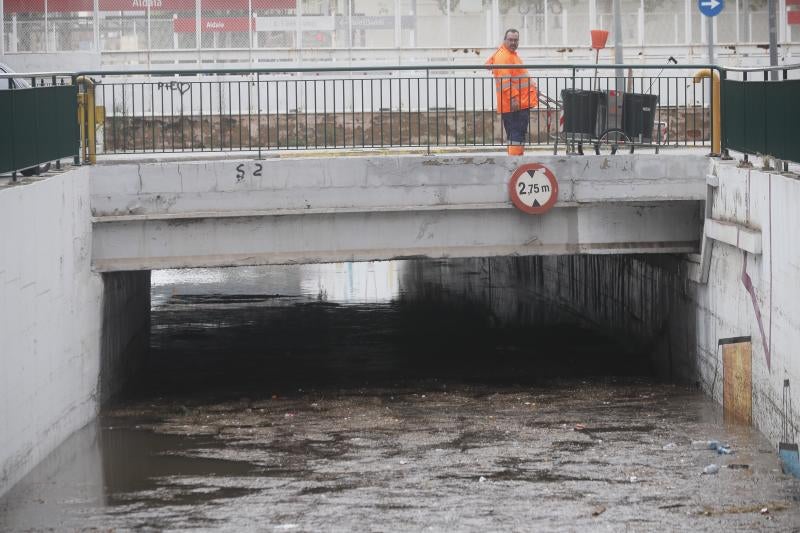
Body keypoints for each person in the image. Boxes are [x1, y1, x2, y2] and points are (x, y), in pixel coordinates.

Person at [485, 29, 538, 156]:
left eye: (516, 40)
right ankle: (515, 163)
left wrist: (534, 89)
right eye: (510, 40)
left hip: (518, 103)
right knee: (516, 135)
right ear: (504, 40)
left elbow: (518, 77)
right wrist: (514, 98)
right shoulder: (504, 56)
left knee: (516, 135)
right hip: (515, 105)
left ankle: (515, 161)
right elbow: (505, 81)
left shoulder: (511, 55)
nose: (513, 42)